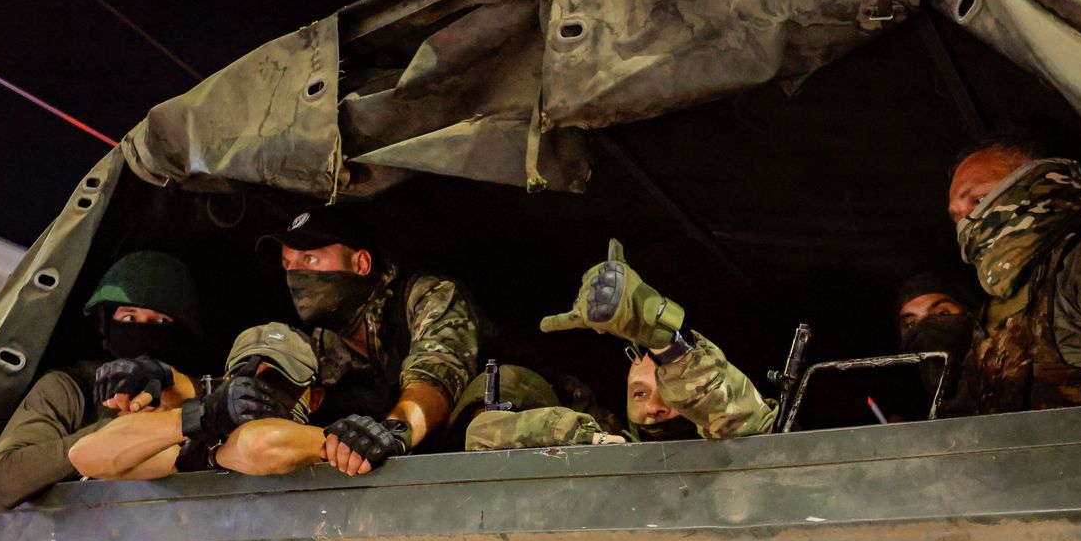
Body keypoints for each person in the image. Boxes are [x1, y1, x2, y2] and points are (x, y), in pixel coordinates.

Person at [466, 239, 775, 450]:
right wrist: (577, 437)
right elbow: (481, 435)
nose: (654, 409)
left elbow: (740, 421)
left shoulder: (756, 437)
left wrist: (663, 339)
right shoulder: (607, 449)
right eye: (640, 393)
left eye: (669, 395)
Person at [255, 206, 480, 475]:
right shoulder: (323, 342)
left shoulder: (424, 296)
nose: (295, 276)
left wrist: (394, 432)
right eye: (288, 265)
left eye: (310, 260)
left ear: (361, 263)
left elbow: (437, 375)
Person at [0, 251, 204, 509]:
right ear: (106, 326)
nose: (144, 330)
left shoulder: (197, 395)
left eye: (160, 321)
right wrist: (117, 430)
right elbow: (4, 480)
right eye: (129, 318)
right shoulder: (71, 389)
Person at [948, 133, 1081, 411]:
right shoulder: (999, 309)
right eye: (956, 216)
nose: (966, 223)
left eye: (977, 200)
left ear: (1041, 180)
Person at [70, 322, 321, 479]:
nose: (256, 390)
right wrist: (201, 415)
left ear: (315, 398)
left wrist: (217, 455)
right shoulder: (206, 445)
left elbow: (259, 445)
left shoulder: (332, 446)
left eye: (278, 379)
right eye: (245, 378)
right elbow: (85, 456)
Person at [893, 270, 980, 417]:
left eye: (942, 314)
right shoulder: (908, 406)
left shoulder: (1007, 374)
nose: (926, 327)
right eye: (910, 324)